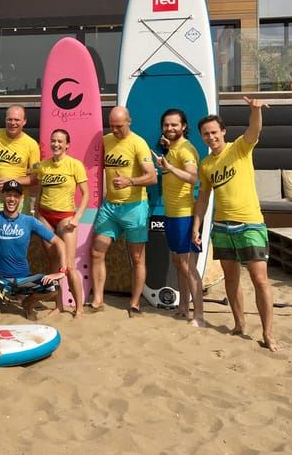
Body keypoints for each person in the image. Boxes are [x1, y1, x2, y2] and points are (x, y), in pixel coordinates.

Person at [193, 97, 278, 352]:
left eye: (214, 132)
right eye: (206, 134)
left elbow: (254, 130)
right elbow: (204, 198)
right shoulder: (207, 164)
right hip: (221, 228)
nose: (210, 137)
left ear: (223, 132)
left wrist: (255, 110)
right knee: (231, 279)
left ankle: (268, 334)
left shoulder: (239, 148)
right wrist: (197, 226)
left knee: (260, 279)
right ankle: (239, 324)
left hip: (250, 224)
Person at [0, 152, 68, 319]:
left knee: (53, 288)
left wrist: (62, 271)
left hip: (24, 280)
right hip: (0, 280)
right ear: (3, 196)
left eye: (15, 195)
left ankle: (27, 303)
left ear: (21, 198)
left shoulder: (29, 221)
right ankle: (1, 301)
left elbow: (59, 243)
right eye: (8, 194)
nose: (11, 199)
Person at [90, 106, 157, 316]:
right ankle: (98, 300)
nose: (115, 130)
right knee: (97, 251)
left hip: (134, 208)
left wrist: (130, 181)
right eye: (111, 126)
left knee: (137, 259)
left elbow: (152, 177)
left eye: (119, 126)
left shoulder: (138, 143)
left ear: (129, 121)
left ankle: (135, 303)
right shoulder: (106, 140)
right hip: (110, 207)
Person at [152, 109, 204, 326]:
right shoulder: (172, 148)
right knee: (178, 262)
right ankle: (183, 307)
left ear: (184, 126)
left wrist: (169, 166)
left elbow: (193, 178)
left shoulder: (186, 150)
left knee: (187, 266)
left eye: (174, 125)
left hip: (184, 214)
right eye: (166, 125)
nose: (170, 128)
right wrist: (167, 152)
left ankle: (199, 315)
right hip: (171, 214)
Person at [33, 129, 89, 317]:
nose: (56, 144)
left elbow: (86, 194)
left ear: (67, 144)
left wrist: (77, 217)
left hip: (66, 218)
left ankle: (79, 308)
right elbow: (39, 191)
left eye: (60, 141)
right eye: (53, 141)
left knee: (69, 266)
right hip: (45, 217)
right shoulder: (43, 166)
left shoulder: (75, 165)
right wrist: (37, 213)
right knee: (53, 264)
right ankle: (59, 305)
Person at [0, 105, 40, 212]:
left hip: (18, 202)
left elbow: (35, 178)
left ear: (24, 121)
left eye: (17, 120)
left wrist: (10, 182)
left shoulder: (32, 144)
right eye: (9, 119)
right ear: (5, 120)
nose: (12, 123)